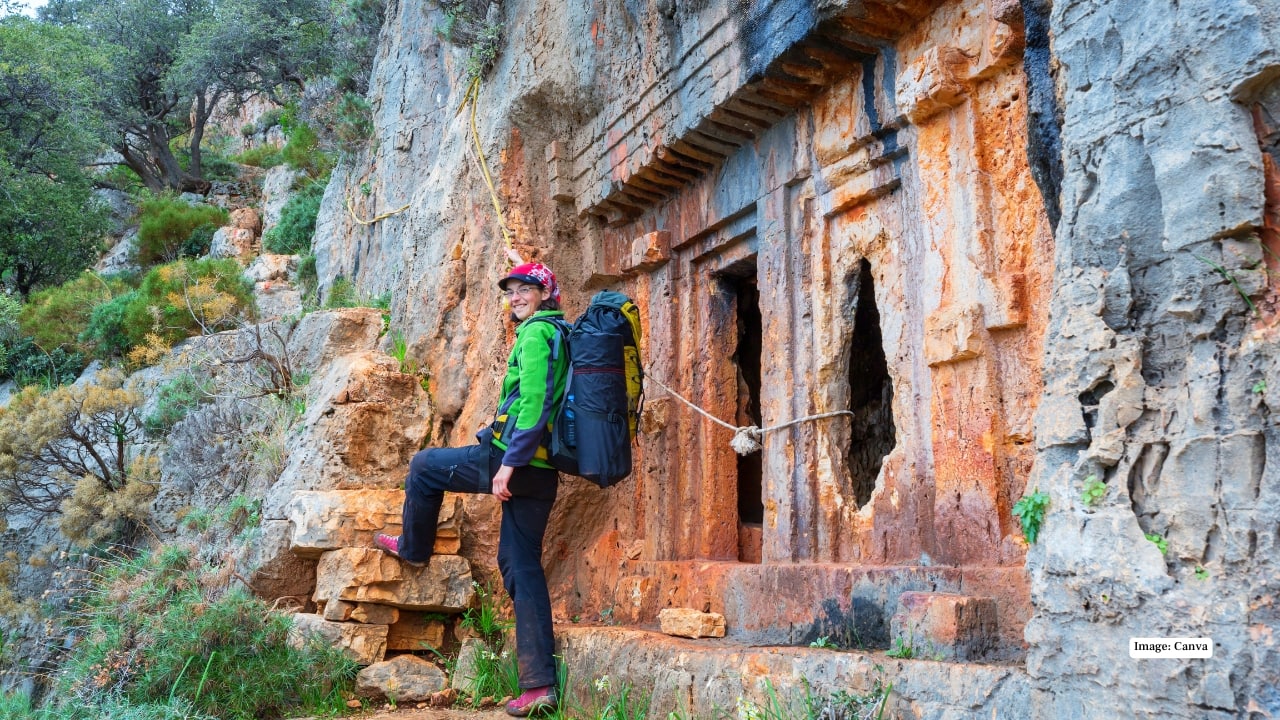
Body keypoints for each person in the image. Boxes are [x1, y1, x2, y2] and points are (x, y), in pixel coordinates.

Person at [375, 262, 569, 716]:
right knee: (521, 566)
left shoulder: (536, 335)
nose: (516, 297)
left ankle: (414, 549)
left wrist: (509, 465)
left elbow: (535, 402)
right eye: (511, 291)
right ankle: (539, 686)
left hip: (511, 459)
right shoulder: (561, 331)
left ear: (545, 294)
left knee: (424, 466)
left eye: (526, 289)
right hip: (544, 470)